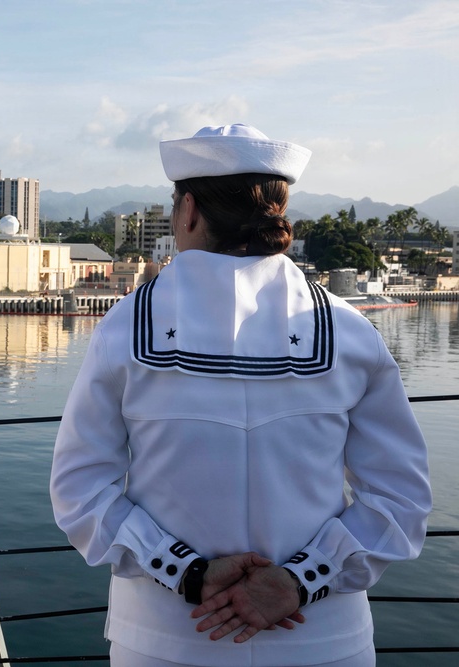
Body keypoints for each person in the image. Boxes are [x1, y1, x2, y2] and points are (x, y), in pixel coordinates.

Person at [49, 124, 432, 667]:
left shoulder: (124, 329)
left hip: (165, 639)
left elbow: (80, 489)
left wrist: (186, 571)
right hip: (322, 640)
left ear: (188, 212)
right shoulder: (350, 332)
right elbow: (400, 499)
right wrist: (300, 580)